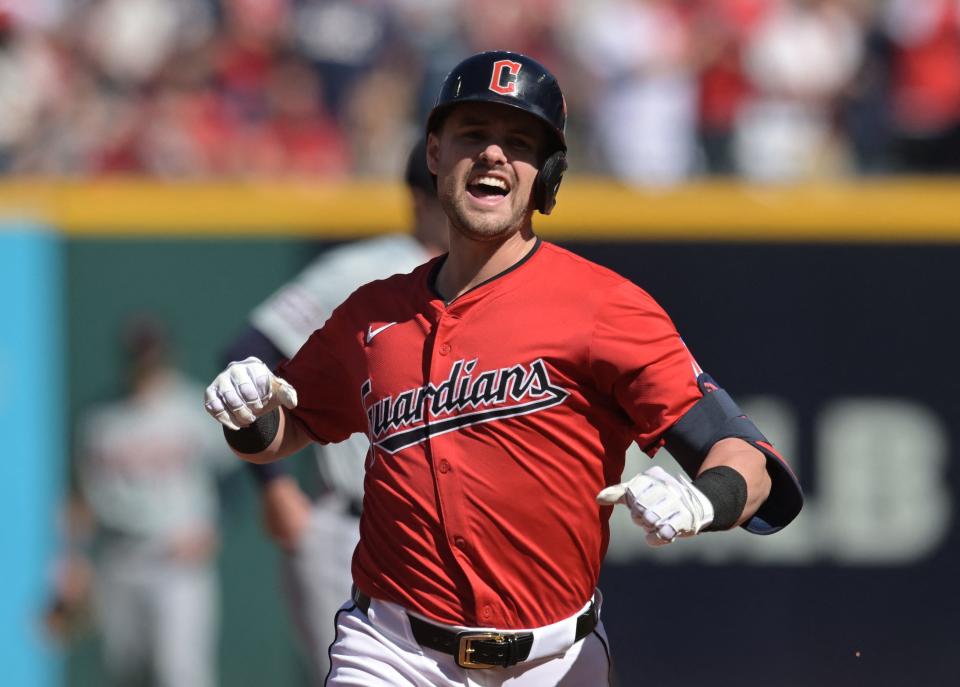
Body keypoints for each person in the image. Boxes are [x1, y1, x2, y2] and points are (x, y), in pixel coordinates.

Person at [203, 50, 803, 686]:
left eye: (518, 142)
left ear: (547, 174)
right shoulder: (371, 313)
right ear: (435, 153)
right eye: (473, 134)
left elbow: (749, 460)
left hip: (555, 660)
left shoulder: (604, 307)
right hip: (391, 650)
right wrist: (248, 413)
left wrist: (702, 501)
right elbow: (281, 436)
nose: (493, 154)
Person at [221, 137, 447, 681]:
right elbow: (247, 352)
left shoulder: (493, 280)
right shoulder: (366, 268)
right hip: (351, 524)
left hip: (445, 532)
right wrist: (273, 483)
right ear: (420, 198)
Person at [48, 317, 234, 687]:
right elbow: (80, 498)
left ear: (168, 355)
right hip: (119, 556)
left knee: (180, 674)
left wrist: (214, 530)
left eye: (153, 353)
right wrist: (72, 559)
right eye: (140, 353)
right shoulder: (100, 420)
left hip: (175, 556)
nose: (147, 362)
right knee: (126, 673)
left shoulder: (193, 410)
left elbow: (232, 481)